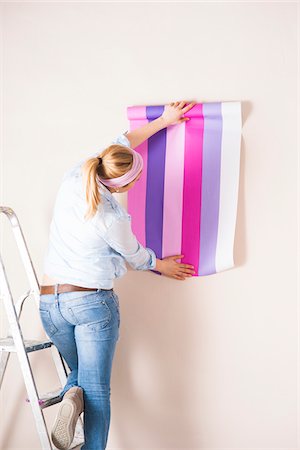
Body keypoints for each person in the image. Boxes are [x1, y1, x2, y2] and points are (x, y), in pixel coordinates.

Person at [39, 100, 196, 450]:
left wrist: (164, 120)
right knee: (95, 390)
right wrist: (161, 264)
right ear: (121, 187)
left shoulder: (77, 173)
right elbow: (136, 257)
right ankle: (74, 403)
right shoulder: (113, 218)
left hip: (50, 303)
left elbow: (125, 139)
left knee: (80, 378)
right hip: (91, 303)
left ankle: (69, 399)